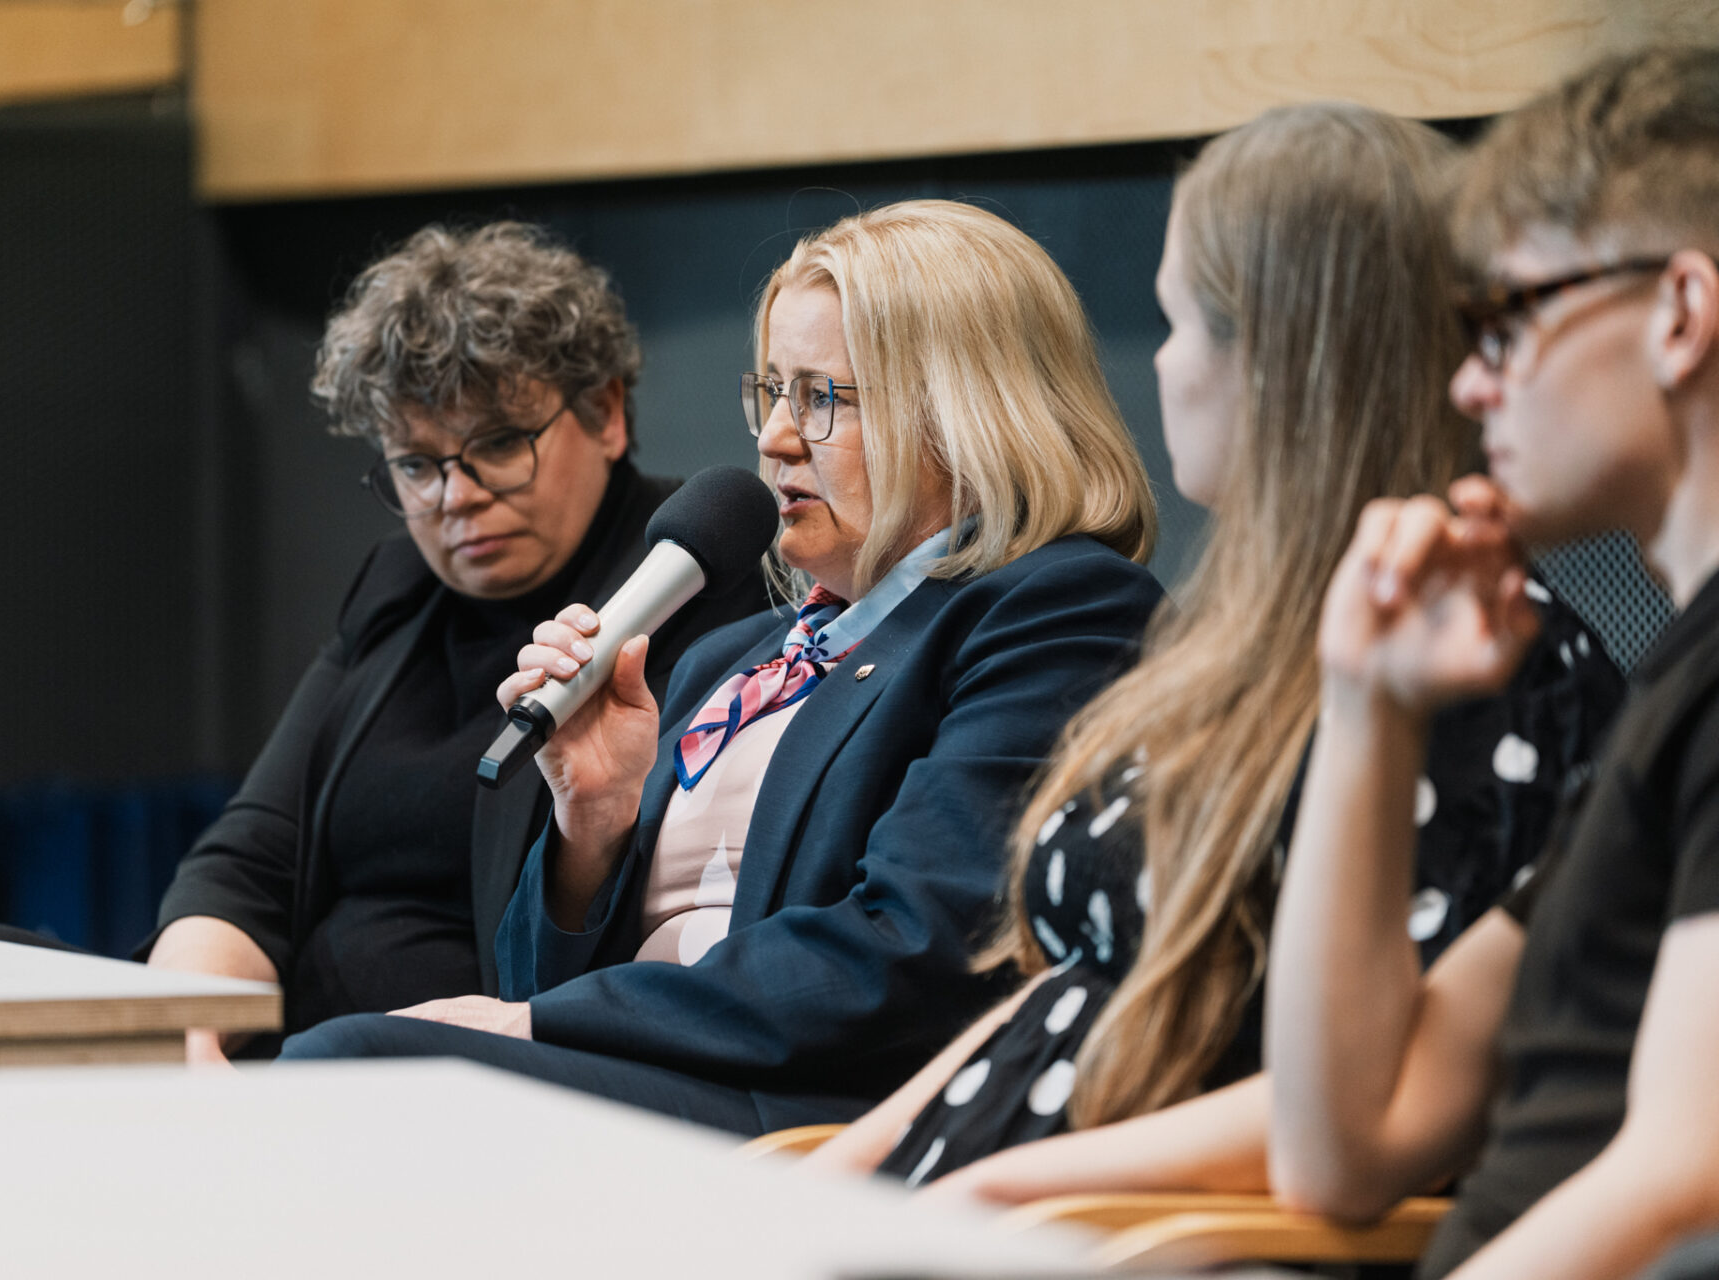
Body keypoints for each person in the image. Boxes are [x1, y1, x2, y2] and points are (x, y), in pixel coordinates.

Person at [803, 102, 1623, 1198]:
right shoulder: (1212, 644)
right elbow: (1071, 996)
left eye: (1176, 319)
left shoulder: (1477, 666)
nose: (1164, 364)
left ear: (1283, 358)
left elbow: (1358, 1090)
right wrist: (844, 1171)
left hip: (1129, 1230)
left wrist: (994, 1193)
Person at [277, 199, 1167, 1135]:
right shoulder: (724, 657)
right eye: (771, 393)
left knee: (349, 1071)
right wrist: (596, 820)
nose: (775, 437)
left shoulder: (1054, 608)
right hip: (652, 1084)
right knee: (337, 1067)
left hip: (814, 1115)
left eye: (821, 398)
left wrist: (539, 1023)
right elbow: (525, 979)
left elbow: (913, 951)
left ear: (962, 412)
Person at [1265, 48, 1719, 1280]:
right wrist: (1371, 708)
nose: (1471, 381)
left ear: (1680, 315)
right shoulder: (1671, 687)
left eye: (1507, 319)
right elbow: (1340, 1145)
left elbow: (1689, 1179)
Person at [140, 222, 767, 1062]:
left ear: (607, 413)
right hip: (279, 1060)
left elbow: (624, 937)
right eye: (415, 464)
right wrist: (190, 1041)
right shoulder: (398, 587)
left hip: (461, 1070)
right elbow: (250, 860)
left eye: (499, 445)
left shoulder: (691, 587)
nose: (454, 496)